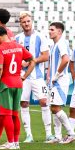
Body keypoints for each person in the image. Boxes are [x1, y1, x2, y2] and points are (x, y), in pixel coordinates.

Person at [0, 26, 35, 149]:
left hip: (5, 84)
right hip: (18, 82)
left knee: (6, 114)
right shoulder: (19, 47)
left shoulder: (0, 48)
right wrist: (24, 76)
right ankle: (15, 142)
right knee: (15, 114)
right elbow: (32, 60)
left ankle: (10, 142)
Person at [15, 11, 52, 143]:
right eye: (24, 22)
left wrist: (32, 61)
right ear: (21, 24)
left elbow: (46, 56)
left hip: (37, 77)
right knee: (24, 103)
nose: (26, 24)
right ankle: (28, 135)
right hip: (23, 76)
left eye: (28, 21)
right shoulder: (17, 38)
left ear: (32, 22)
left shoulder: (40, 37)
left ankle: (49, 134)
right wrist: (21, 62)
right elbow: (15, 55)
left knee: (44, 101)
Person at [46, 22, 75, 144]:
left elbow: (66, 59)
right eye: (49, 29)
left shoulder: (61, 44)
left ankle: (71, 133)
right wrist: (49, 75)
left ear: (59, 31)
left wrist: (57, 74)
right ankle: (58, 136)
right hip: (54, 81)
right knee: (54, 107)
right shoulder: (54, 45)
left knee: (55, 107)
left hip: (60, 81)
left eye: (52, 29)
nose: (50, 31)